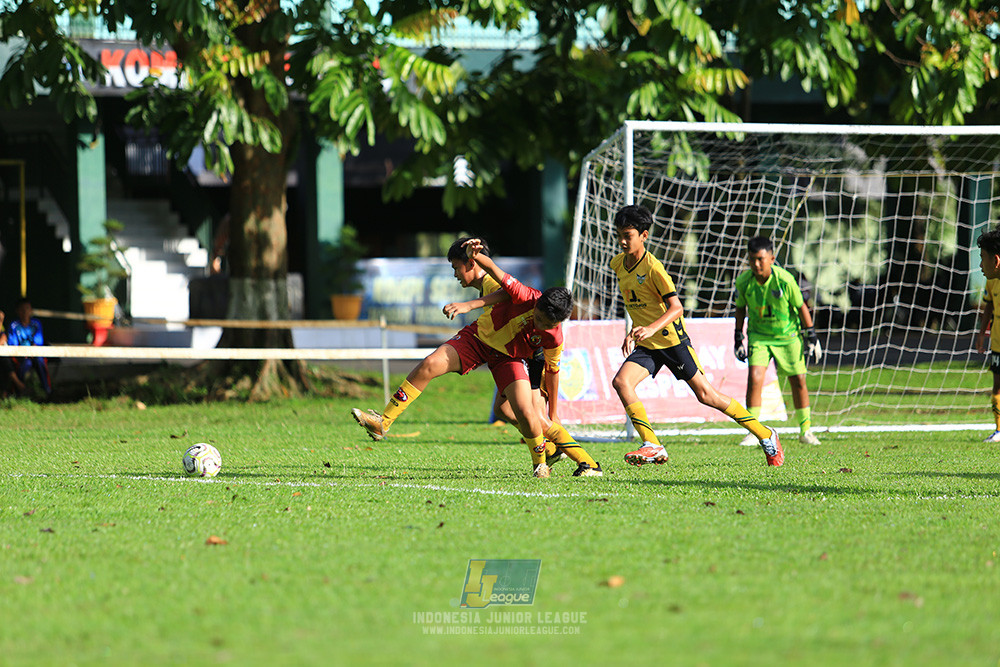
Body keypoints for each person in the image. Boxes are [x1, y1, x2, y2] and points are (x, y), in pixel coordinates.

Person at [352, 237, 603, 478]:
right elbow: (499, 277)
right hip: (479, 339)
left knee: (530, 416)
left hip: (511, 357)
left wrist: (555, 412)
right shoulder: (526, 295)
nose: (538, 324)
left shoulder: (552, 334)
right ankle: (383, 422)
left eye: (456, 267)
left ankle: (563, 462)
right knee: (431, 365)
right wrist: (477, 259)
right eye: (537, 318)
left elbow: (553, 369)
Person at [608, 205, 784, 467]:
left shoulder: (654, 268)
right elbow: (638, 303)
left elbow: (677, 308)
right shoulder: (617, 264)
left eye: (628, 235)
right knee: (622, 382)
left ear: (644, 235)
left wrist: (650, 328)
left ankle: (766, 435)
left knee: (707, 395)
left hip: (672, 342)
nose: (622, 241)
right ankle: (652, 443)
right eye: (619, 235)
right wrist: (634, 332)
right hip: (648, 344)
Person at [733, 236, 823, 447]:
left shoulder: (785, 280)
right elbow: (740, 308)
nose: (756, 264)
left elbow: (801, 306)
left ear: (772, 258)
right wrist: (738, 337)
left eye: (761, 259)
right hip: (759, 337)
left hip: (788, 336)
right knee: (755, 378)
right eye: (752, 259)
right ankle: (753, 431)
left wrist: (811, 335)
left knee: (798, 380)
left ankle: (805, 430)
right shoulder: (744, 281)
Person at [976, 226, 1000, 442]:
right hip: (997, 342)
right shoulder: (992, 281)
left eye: (983, 258)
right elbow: (988, 308)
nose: (980, 264)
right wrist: (982, 333)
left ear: (997, 261)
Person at [7, 297, 52, 397]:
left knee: (40, 361)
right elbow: (12, 343)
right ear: (17, 311)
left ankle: (47, 390)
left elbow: (38, 341)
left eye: (27, 308)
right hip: (21, 355)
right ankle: (18, 392)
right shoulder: (14, 325)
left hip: (35, 354)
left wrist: (32, 351)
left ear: (31, 310)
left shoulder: (36, 324)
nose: (25, 312)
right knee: (25, 364)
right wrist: (24, 352)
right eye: (22, 309)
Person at [0, 309, 27, 397]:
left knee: (5, 361)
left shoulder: (2, 333)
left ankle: (5, 392)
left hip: (5, 358)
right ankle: (18, 384)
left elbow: (3, 339)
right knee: (4, 361)